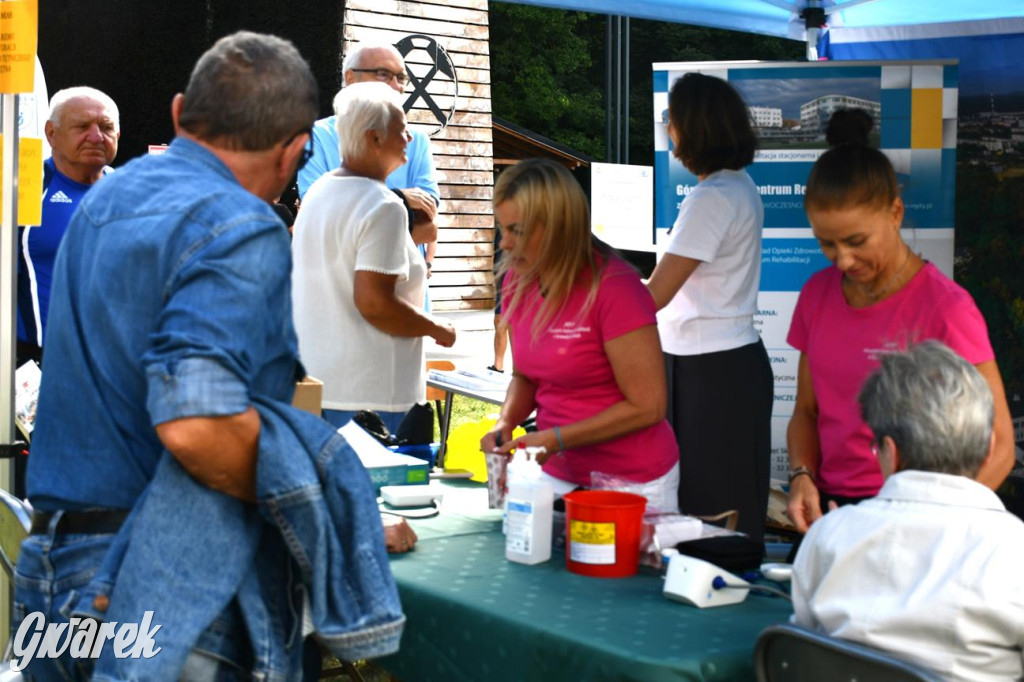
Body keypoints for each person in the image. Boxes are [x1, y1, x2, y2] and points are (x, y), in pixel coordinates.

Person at [16, 32, 405, 680]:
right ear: (293, 152)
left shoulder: (106, 197)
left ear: (177, 114)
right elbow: (197, 423)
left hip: (54, 559)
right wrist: (329, 512)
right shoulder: (239, 224)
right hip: (157, 580)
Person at [785, 111, 1014, 532]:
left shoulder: (946, 308)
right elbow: (807, 411)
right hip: (834, 515)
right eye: (826, 243)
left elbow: (1000, 445)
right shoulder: (817, 294)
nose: (844, 259)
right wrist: (801, 476)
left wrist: (937, 529)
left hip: (919, 516)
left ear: (895, 213)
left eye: (856, 241)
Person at [792, 341, 1024, 681]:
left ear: (890, 452)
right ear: (990, 449)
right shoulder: (1013, 549)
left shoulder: (828, 535)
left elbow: (801, 653)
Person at [480, 159, 679, 511]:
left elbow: (649, 406)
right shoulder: (517, 280)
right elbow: (526, 375)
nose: (505, 244)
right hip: (557, 473)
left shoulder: (615, 288)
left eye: (518, 231)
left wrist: (555, 439)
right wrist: (506, 423)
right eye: (502, 228)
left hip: (630, 482)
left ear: (558, 227)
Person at [645, 72, 773, 540]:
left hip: (709, 370)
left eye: (671, 119)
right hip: (714, 364)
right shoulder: (733, 187)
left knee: (709, 507)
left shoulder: (714, 196)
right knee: (718, 499)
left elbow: (655, 296)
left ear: (693, 126)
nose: (668, 128)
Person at [291, 82, 456, 433]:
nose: (410, 138)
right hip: (373, 396)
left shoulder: (320, 191)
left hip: (320, 385)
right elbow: (375, 304)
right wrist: (438, 328)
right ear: (374, 138)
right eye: (402, 129)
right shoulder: (383, 205)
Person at [297, 42, 440, 294]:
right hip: (340, 294)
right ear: (350, 78)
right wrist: (400, 199)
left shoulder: (417, 139)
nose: (396, 85)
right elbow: (317, 212)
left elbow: (429, 224)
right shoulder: (316, 136)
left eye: (401, 77)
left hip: (408, 296)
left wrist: (355, 223)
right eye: (383, 74)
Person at [17, 86, 119, 364]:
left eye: (106, 127)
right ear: (51, 133)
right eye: (83, 126)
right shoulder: (23, 191)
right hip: (38, 363)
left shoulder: (135, 193)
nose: (96, 136)